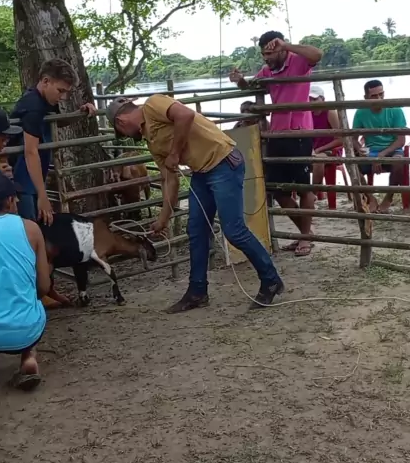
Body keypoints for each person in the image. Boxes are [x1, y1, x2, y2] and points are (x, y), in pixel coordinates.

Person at [105, 94, 284, 312]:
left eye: (121, 132)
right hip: (201, 172)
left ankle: (271, 279)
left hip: (223, 161)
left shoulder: (153, 104)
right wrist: (163, 219)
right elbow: (169, 178)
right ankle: (197, 291)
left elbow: (185, 115)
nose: (126, 136)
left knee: (234, 230)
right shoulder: (150, 140)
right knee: (196, 230)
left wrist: (174, 153)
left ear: (121, 122)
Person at [230, 31, 322, 256]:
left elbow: (317, 54)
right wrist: (240, 80)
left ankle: (305, 237)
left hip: (299, 131)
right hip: (278, 133)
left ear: (281, 50)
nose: (266, 58)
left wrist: (287, 45)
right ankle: (306, 233)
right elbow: (251, 87)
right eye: (263, 54)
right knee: (278, 189)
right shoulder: (267, 70)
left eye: (270, 53)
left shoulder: (298, 61)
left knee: (303, 187)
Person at [0, 173, 50, 388]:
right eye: (15, 197)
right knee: (30, 300)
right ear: (8, 200)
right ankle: (28, 357)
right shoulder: (31, 228)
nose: (18, 200)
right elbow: (44, 286)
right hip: (27, 330)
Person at [12, 58, 96, 225]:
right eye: (60, 91)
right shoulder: (33, 106)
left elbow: (55, 122)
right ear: (45, 81)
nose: (63, 97)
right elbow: (30, 151)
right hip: (23, 179)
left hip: (33, 177)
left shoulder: (46, 100)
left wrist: (80, 113)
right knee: (29, 226)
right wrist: (43, 195)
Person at [352, 79, 407, 213]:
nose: (379, 98)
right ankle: (371, 198)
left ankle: (388, 198)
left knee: (399, 162)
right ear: (366, 97)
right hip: (371, 151)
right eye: (374, 96)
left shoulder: (395, 110)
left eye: (381, 94)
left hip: (392, 149)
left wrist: (381, 155)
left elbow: (401, 140)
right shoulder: (360, 112)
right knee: (352, 165)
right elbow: (352, 138)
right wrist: (360, 149)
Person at [310, 84, 343, 193]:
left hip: (332, 150)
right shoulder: (307, 114)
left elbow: (340, 139)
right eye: (309, 99)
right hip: (314, 149)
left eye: (314, 99)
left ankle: (313, 192)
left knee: (318, 160)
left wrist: (319, 149)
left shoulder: (330, 112)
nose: (311, 102)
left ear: (323, 99)